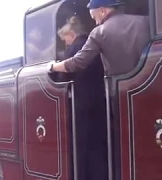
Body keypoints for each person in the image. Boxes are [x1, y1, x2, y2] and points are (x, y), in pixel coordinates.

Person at [57, 16, 108, 180]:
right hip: (102, 98)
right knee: (99, 143)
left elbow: (61, 78)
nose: (66, 43)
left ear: (71, 34)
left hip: (81, 103)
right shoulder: (94, 43)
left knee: (82, 145)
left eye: (65, 39)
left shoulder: (74, 49)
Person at [48, 0, 150, 77]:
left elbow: (79, 62)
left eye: (94, 18)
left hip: (119, 87)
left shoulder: (99, 32)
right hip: (149, 79)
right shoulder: (145, 21)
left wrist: (53, 66)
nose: (96, 23)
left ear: (102, 11)